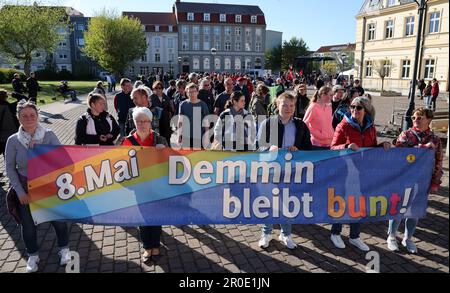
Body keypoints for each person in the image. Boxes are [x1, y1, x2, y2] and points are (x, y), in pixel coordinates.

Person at [5, 101, 72, 272]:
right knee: (28, 226)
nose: (28, 118)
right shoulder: (13, 141)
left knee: (58, 221)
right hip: (25, 189)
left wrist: (43, 151)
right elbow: (10, 169)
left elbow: (65, 161)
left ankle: (64, 249)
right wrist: (19, 191)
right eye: (24, 116)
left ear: (38, 117)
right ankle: (33, 255)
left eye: (32, 115)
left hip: (49, 187)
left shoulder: (48, 135)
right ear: (18, 117)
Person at [330, 97, 391, 252]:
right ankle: (335, 233)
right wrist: (346, 146)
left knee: (358, 203)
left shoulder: (370, 126)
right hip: (345, 170)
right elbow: (332, 148)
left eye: (358, 108)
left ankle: (354, 236)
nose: (354, 110)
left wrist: (381, 145)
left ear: (366, 110)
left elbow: (370, 148)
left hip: (363, 171)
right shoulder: (343, 125)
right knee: (341, 201)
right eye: (352, 107)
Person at [257, 93, 312, 249]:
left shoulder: (300, 125)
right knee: (268, 202)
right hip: (271, 169)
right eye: (284, 105)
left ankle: (285, 234)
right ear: (277, 105)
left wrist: (298, 149)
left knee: (288, 202)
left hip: (292, 170)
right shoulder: (268, 123)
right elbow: (258, 146)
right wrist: (269, 148)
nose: (288, 108)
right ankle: (266, 233)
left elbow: (308, 148)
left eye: (291, 105)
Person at [387, 108, 443, 254]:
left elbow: (438, 161)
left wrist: (435, 181)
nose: (415, 120)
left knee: (415, 211)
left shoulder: (435, 139)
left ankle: (408, 238)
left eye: (419, 118)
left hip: (422, 181)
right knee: (398, 208)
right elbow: (400, 152)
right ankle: (392, 236)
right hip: (404, 179)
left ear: (428, 120)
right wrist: (422, 148)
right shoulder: (406, 134)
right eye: (413, 118)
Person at [122, 107, 167, 262]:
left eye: (145, 121)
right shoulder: (127, 141)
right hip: (139, 187)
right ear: (134, 122)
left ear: (150, 122)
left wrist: (164, 152)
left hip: (157, 186)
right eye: (138, 121)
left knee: (157, 216)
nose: (142, 124)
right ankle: (147, 247)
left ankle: (156, 246)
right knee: (143, 218)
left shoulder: (159, 139)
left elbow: (170, 162)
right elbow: (119, 165)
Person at [177, 83, 210, 149]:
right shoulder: (183, 104)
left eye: (194, 91)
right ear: (187, 93)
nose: (192, 94)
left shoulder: (203, 105)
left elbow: (206, 123)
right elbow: (180, 121)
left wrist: (207, 137)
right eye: (190, 92)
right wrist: (179, 135)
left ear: (197, 92)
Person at [0, 90, 19, 186]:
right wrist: (14, 94)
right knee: (9, 159)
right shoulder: (9, 106)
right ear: (5, 97)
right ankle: (12, 179)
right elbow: (23, 98)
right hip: (7, 137)